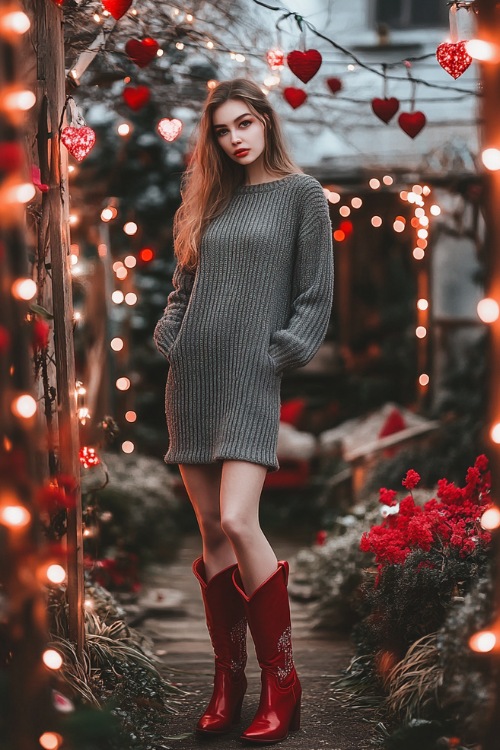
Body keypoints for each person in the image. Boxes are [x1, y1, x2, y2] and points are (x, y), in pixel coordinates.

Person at [153, 78, 334, 744]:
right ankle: (227, 682)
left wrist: (280, 352)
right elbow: (183, 287)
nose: (234, 138)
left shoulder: (301, 196)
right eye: (222, 129)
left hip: (251, 376)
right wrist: (172, 338)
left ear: (265, 122)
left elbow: (314, 295)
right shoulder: (208, 199)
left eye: (244, 124)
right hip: (193, 375)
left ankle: (281, 684)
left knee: (238, 517)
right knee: (209, 525)